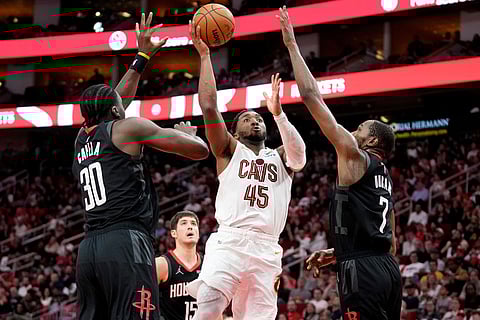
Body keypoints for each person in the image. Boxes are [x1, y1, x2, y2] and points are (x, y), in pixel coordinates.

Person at [72, 12, 209, 320]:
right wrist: (187, 136)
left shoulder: (82, 138)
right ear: (114, 110)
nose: (125, 104)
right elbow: (199, 152)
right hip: (126, 242)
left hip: (89, 249)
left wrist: (142, 57)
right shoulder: (127, 128)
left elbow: (117, 98)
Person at [277, 6, 402, 320]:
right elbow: (390, 244)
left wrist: (292, 45)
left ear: (372, 141)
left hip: (362, 272)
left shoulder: (354, 156)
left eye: (361, 128)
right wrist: (337, 253)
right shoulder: (384, 179)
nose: (354, 130)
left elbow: (311, 96)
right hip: (388, 270)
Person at [186, 19, 307, 320]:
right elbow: (210, 107)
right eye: (247, 119)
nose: (256, 121)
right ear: (235, 132)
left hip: (267, 248)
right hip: (230, 240)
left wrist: (278, 115)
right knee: (210, 305)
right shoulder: (229, 150)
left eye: (259, 118)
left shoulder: (280, 155)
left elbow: (300, 157)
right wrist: (204, 56)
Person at [156, 211, 221, 320]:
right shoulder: (162, 264)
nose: (190, 227)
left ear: (198, 233)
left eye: (193, 224)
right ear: (174, 233)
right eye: (184, 223)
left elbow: (215, 309)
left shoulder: (209, 265)